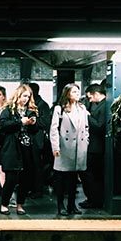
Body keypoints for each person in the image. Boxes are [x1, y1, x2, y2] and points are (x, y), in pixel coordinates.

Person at [0, 84, 39, 216]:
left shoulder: (30, 111)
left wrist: (33, 123)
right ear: (18, 95)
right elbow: (4, 125)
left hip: (26, 147)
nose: (26, 99)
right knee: (11, 178)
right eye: (24, 96)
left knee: (25, 178)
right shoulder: (9, 110)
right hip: (11, 147)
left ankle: (20, 204)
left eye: (28, 96)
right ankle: (4, 204)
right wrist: (21, 122)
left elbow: (35, 130)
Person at [49, 83, 89, 216]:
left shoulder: (82, 108)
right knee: (61, 178)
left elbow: (86, 128)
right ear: (67, 94)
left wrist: (86, 142)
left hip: (79, 147)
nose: (77, 94)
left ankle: (72, 205)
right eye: (73, 92)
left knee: (73, 179)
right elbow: (54, 130)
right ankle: (61, 206)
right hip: (64, 147)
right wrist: (55, 147)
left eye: (78, 92)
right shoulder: (59, 109)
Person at [79, 82, 107, 209]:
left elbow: (100, 126)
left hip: (96, 147)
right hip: (96, 146)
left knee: (92, 174)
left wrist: (87, 116)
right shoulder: (99, 105)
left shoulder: (104, 106)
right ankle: (94, 198)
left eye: (90, 97)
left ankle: (94, 199)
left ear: (96, 94)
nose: (90, 100)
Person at [28, 82, 52, 199]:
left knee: (37, 165)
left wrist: (32, 122)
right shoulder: (33, 104)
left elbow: (45, 122)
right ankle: (31, 188)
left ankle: (37, 190)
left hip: (37, 140)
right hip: (32, 139)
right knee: (30, 165)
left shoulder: (42, 105)